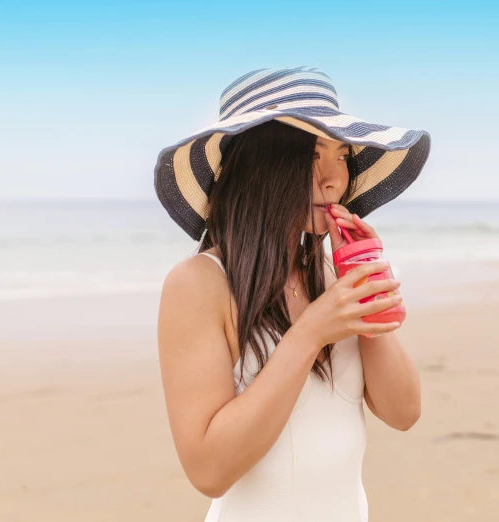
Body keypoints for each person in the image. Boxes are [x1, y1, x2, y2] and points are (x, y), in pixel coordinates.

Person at [154, 66, 431, 522]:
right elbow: (208, 469)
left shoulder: (330, 275)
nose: (333, 179)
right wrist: (309, 334)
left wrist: (363, 284)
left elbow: (404, 412)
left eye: (341, 155)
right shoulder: (199, 283)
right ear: (260, 165)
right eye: (312, 155)